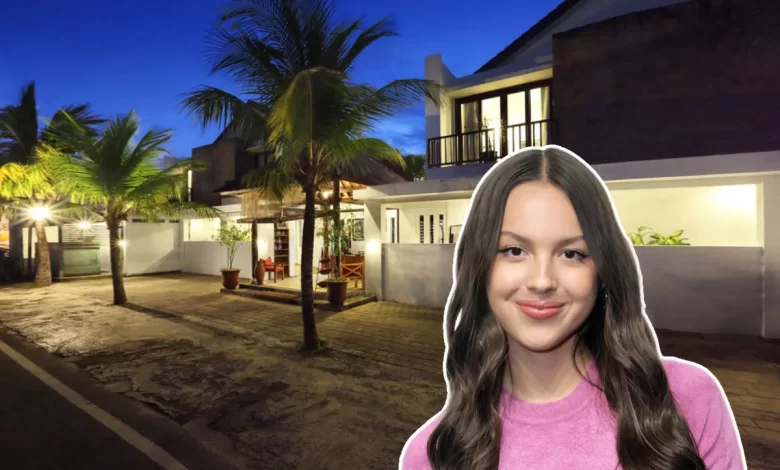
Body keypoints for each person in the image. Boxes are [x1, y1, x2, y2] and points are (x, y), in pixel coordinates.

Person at [399, 146, 746, 470]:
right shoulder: (434, 454)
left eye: (572, 253)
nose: (541, 281)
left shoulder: (684, 399)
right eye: (513, 250)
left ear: (603, 271)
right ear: (479, 266)